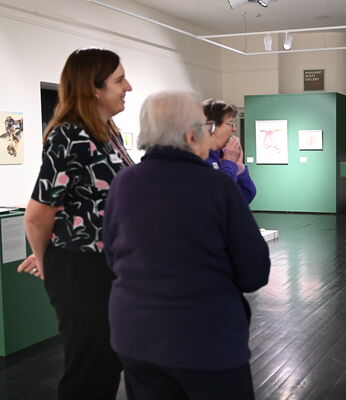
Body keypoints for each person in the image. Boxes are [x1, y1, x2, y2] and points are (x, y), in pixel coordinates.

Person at [102, 91, 271, 400]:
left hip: (135, 337)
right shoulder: (217, 186)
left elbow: (113, 258)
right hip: (205, 339)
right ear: (191, 134)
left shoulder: (123, 184)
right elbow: (255, 271)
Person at [17, 48, 133, 399]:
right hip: (83, 271)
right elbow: (38, 214)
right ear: (94, 89)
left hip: (110, 266)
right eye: (119, 79)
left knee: (109, 363)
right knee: (90, 370)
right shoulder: (71, 136)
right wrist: (45, 260)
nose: (129, 86)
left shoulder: (108, 132)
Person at [202, 98, 256, 203]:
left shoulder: (221, 156)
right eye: (230, 123)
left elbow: (246, 197)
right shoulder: (199, 159)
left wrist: (240, 169)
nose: (234, 129)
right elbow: (220, 199)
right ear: (211, 127)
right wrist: (229, 162)